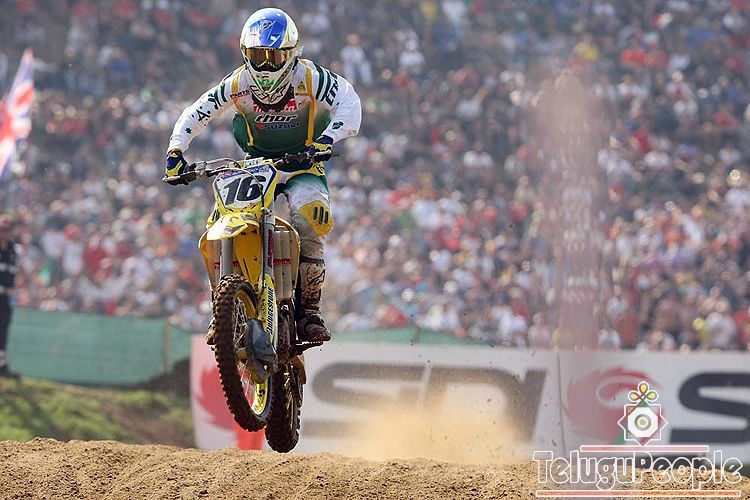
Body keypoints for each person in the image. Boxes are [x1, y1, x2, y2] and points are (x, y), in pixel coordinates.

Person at [165, 8, 362, 342]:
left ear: (292, 53)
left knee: (310, 218)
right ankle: (221, 310)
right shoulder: (237, 83)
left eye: (274, 57)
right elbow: (197, 112)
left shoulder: (309, 77)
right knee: (220, 224)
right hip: (255, 164)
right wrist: (175, 150)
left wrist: (327, 139)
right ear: (246, 54)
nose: (267, 66)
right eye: (259, 57)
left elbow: (349, 101)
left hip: (303, 161)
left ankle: (309, 312)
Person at [0, 214, 18, 377]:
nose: (4, 232)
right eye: (2, 229)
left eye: (8, 229)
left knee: (3, 328)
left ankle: (1, 364)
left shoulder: (12, 249)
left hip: (5, 297)